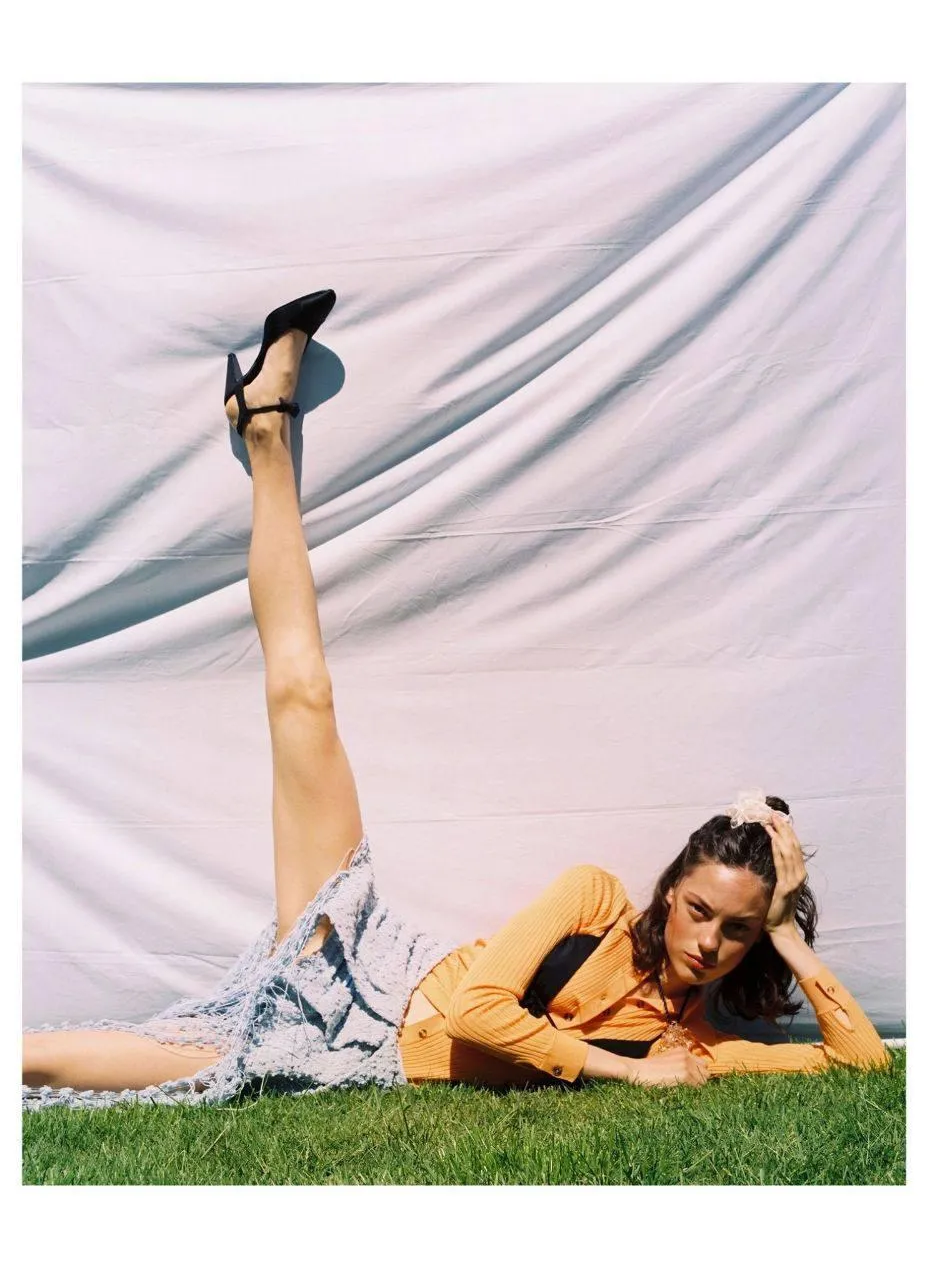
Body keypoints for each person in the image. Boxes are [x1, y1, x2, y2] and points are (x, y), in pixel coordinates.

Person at [22, 294, 890, 1110]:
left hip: (359, 1057)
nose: (707, 942)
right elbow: (479, 1009)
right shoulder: (592, 899)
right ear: (670, 893)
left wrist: (786, 933)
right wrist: (621, 1075)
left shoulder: (692, 1039)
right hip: (373, 968)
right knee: (303, 696)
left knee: (193, 1061)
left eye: (734, 932)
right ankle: (266, 434)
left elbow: (862, 1066)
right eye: (701, 910)